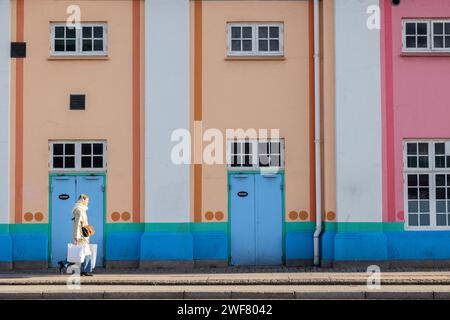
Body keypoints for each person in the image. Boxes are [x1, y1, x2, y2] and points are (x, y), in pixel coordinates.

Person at [58, 194, 94, 276]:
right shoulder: (79, 210)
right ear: (82, 200)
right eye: (87, 200)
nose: (88, 202)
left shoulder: (82, 209)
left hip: (83, 234)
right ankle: (84, 270)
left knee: (78, 253)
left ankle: (64, 263)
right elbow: (77, 224)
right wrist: (76, 236)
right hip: (80, 236)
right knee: (85, 253)